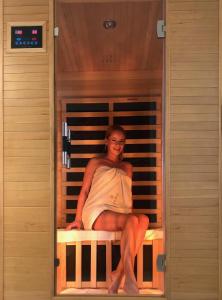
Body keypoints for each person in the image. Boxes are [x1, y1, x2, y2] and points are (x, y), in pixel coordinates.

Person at [66, 125, 149, 294]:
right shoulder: (96, 162)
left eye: (121, 141)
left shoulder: (127, 167)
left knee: (144, 219)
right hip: (97, 209)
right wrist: (77, 219)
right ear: (107, 141)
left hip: (120, 210)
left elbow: (127, 194)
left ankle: (117, 275)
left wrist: (129, 215)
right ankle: (129, 275)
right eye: (114, 140)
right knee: (132, 220)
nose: (117, 145)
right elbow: (84, 191)